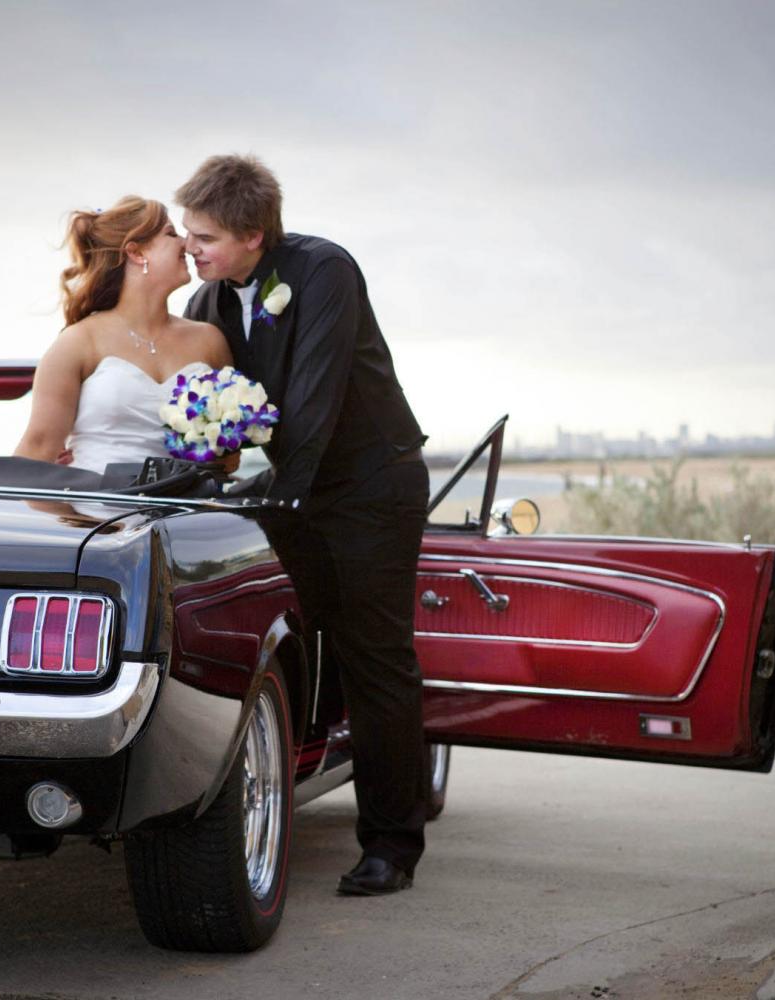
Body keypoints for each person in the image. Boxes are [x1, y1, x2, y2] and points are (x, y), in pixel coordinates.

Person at [177, 154, 431, 896]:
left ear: (254, 235)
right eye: (189, 234)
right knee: (297, 639)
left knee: (374, 656)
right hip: (294, 486)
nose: (192, 248)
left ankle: (392, 844)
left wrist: (283, 497)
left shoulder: (324, 271)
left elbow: (315, 391)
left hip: (370, 485)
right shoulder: (208, 301)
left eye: (205, 237)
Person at [14, 196, 231, 472]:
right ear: (137, 253)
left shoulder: (209, 340)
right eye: (171, 233)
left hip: (186, 500)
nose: (186, 244)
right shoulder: (79, 342)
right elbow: (38, 447)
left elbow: (227, 459)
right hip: (95, 500)